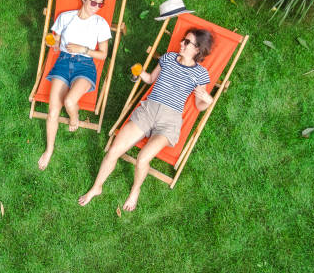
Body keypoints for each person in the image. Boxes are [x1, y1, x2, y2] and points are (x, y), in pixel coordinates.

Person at [78, 28, 214, 211]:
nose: (181, 43)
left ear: (198, 49)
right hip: (148, 111)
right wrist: (139, 73)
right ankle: (97, 187)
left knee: (142, 159)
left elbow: (199, 105)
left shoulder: (200, 74)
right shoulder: (167, 58)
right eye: (183, 40)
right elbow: (150, 79)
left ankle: (135, 190)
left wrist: (208, 100)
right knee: (114, 150)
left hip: (169, 122)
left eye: (187, 42)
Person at [38, 0, 112, 171]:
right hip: (62, 63)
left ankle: (74, 118)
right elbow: (56, 42)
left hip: (85, 66)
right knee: (53, 111)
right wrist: (53, 43)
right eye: (93, 2)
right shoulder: (66, 17)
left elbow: (103, 54)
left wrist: (84, 49)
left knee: (70, 102)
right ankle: (49, 149)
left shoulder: (100, 24)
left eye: (100, 4)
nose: (96, 7)